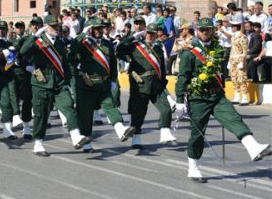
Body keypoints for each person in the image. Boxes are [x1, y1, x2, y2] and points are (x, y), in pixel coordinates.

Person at [175, 17, 271, 183]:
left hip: (217, 96)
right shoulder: (189, 52)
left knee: (233, 118)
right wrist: (179, 100)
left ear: (213, 31)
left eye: (208, 30)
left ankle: (253, 147)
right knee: (198, 134)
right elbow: (183, 77)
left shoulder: (217, 49)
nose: (205, 33)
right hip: (198, 98)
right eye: (202, 30)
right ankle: (194, 167)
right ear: (197, 32)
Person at [19, 17, 91, 156]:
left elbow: (65, 63)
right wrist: (34, 36)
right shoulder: (37, 41)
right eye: (53, 26)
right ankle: (38, 143)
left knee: (69, 107)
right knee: (41, 114)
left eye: (57, 26)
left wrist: (69, 81)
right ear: (46, 27)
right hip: (42, 82)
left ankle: (76, 136)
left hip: (59, 82)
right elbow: (22, 51)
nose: (56, 29)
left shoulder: (59, 42)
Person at [69, 18, 135, 152]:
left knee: (110, 105)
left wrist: (112, 79)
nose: (99, 31)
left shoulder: (106, 43)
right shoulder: (83, 43)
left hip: (103, 82)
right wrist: (82, 34)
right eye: (96, 28)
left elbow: (112, 63)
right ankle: (86, 143)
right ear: (90, 29)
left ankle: (120, 129)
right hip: (87, 84)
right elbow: (71, 54)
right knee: (85, 114)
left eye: (101, 28)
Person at [116, 17, 178, 149]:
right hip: (140, 84)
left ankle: (165, 131)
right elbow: (119, 49)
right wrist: (131, 36)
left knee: (166, 108)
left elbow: (161, 68)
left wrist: (163, 83)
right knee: (139, 112)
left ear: (157, 35)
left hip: (156, 84)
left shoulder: (158, 48)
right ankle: (136, 139)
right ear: (145, 33)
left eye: (153, 33)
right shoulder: (135, 46)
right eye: (148, 33)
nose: (150, 35)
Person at [228, 21, 249, 105]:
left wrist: (243, 62)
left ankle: (244, 97)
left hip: (240, 59)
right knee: (234, 78)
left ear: (236, 27)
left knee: (242, 78)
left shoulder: (243, 37)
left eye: (232, 26)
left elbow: (245, 51)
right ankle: (237, 96)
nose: (231, 28)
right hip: (233, 59)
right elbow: (232, 49)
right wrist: (229, 61)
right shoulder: (233, 37)